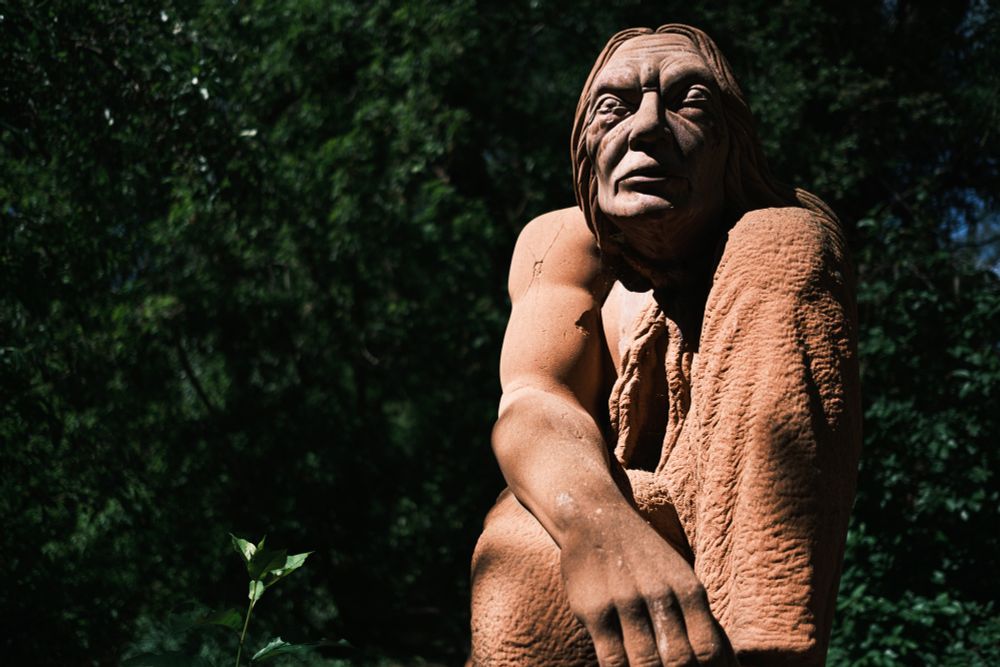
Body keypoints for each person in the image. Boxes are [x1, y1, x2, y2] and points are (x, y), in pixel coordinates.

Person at [469, 24, 861, 667]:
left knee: (782, 237)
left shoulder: (781, 237)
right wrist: (602, 531)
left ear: (731, 147)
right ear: (586, 149)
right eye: (615, 107)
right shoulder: (563, 242)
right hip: (606, 499)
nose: (648, 127)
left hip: (729, 531)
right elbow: (536, 398)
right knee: (519, 555)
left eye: (690, 102)